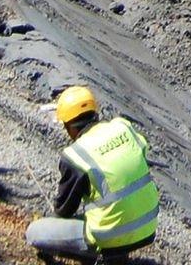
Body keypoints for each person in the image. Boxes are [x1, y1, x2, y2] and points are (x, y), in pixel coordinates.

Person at [26, 86, 160, 261]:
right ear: (94, 113)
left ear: (70, 127)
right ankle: (118, 255)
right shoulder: (123, 127)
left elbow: (64, 210)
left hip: (110, 236)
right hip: (148, 226)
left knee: (34, 233)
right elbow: (141, 153)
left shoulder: (76, 156)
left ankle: (94, 256)